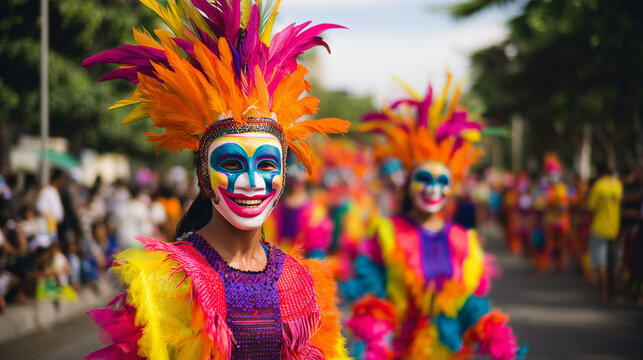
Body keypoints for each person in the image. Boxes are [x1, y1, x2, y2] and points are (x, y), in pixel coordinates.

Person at [82, 0, 350, 358]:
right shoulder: (167, 279)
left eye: (267, 165)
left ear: (284, 174)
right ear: (204, 174)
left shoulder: (301, 280)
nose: (252, 181)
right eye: (233, 164)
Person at [348, 73, 524, 360]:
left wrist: (491, 333)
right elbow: (373, 296)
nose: (433, 189)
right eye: (425, 179)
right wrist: (376, 339)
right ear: (408, 184)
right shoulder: (386, 232)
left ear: (452, 187)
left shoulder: (464, 239)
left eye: (442, 182)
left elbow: (470, 303)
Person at [587, 163, 623, 301]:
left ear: (599, 173)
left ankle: (604, 293)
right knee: (614, 263)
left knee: (601, 263)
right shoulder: (618, 185)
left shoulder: (598, 185)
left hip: (599, 228)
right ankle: (612, 292)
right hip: (616, 229)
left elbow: (591, 207)